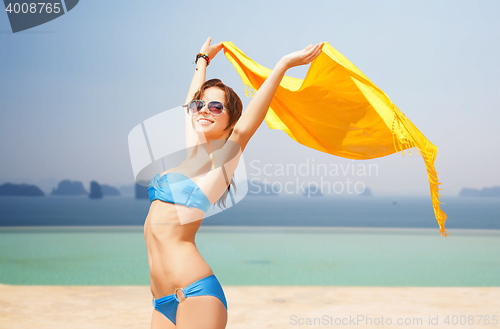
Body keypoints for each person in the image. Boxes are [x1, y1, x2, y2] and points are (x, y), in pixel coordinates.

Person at [144, 36, 324, 329]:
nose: (204, 109)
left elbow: (244, 130)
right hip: (162, 300)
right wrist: (202, 59)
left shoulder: (221, 163)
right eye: (201, 105)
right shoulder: (193, 154)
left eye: (216, 108)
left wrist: (283, 65)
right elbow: (191, 103)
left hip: (194, 294)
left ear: (229, 122)